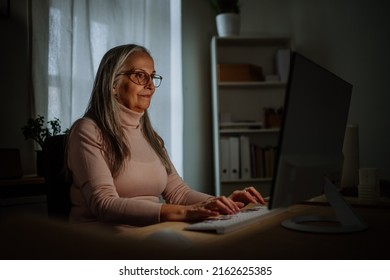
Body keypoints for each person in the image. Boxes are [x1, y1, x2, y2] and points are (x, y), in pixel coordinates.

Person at [66, 44, 265, 226]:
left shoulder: (152, 138)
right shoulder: (87, 131)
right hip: (102, 243)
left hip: (149, 235)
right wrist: (184, 213)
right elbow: (104, 203)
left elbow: (179, 193)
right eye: (139, 76)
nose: (151, 85)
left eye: (152, 76)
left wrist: (225, 203)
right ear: (113, 84)